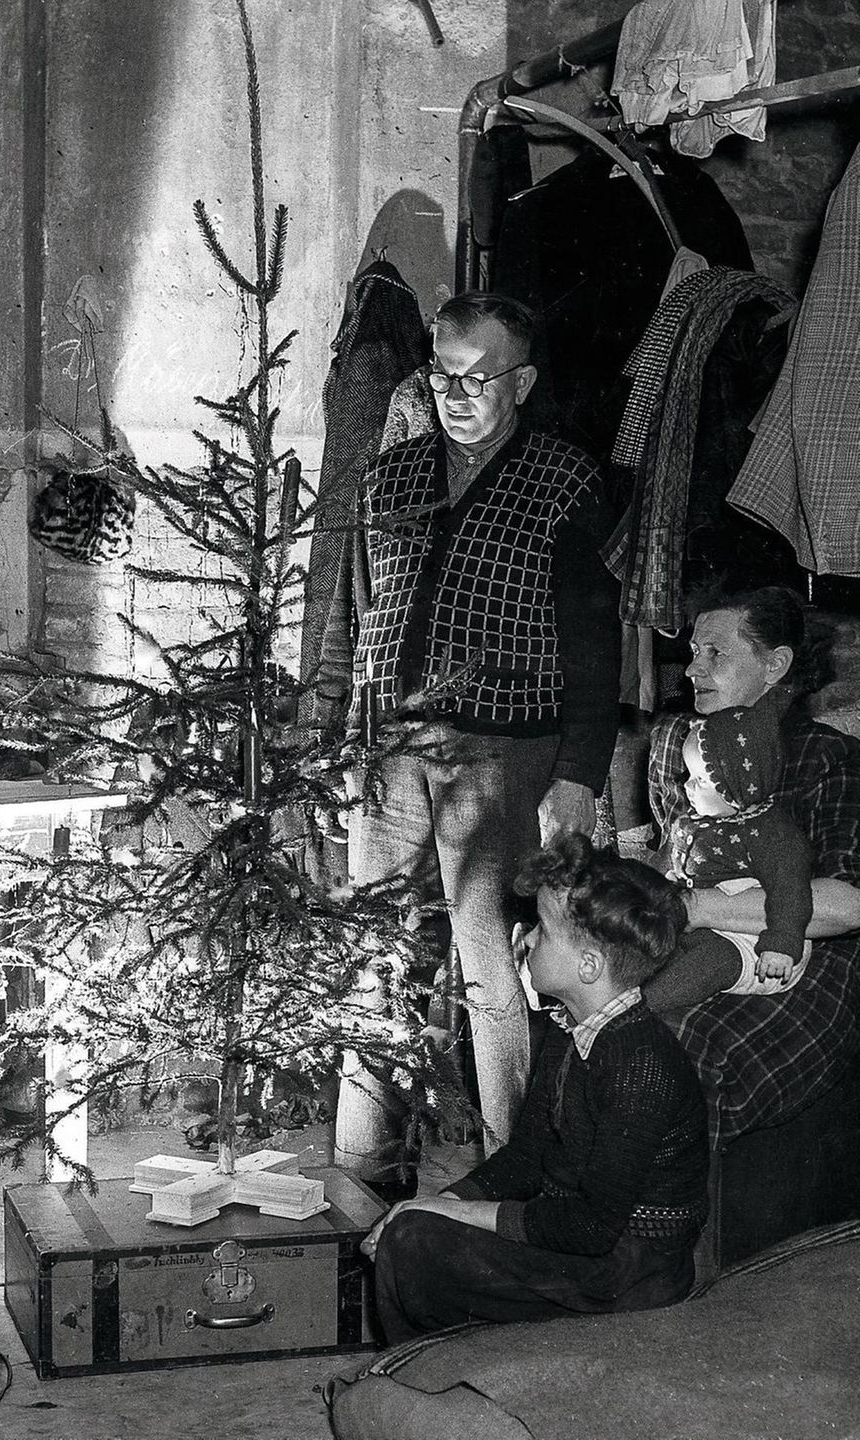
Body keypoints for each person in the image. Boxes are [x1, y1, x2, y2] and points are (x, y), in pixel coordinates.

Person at [340, 292, 622, 1166]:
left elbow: (593, 644)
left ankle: (512, 1166)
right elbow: (364, 617)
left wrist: (578, 772)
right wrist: (349, 739)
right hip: (389, 750)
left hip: (502, 754)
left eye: (479, 377)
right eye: (443, 375)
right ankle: (366, 1161)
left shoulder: (565, 481)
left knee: (490, 962)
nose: (457, 394)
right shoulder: (389, 477)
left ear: (522, 381)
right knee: (371, 952)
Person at [359, 833, 708, 1344]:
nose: (524, 938)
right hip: (589, 1250)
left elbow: (591, 1228)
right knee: (414, 1229)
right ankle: (442, 1365)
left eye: (542, 930)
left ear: (588, 965)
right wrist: (435, 1202)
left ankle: (433, 1370)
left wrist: (443, 1213)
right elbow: (525, 1160)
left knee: (416, 1242)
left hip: (629, 1273)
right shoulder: (572, 1030)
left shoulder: (640, 1065)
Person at [646, 586, 860, 1144]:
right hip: (699, 935)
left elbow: (847, 905)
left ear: (775, 664)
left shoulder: (828, 756)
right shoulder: (686, 743)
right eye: (694, 651)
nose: (693, 668)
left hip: (803, 958)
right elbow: (671, 856)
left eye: (716, 652)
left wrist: (694, 906)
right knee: (606, 1013)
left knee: (676, 1047)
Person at [642, 682, 812, 1010]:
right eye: (689, 775)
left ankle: (637, 1006)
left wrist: (781, 944)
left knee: (708, 963)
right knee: (650, 940)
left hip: (754, 943)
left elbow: (792, 893)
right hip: (703, 922)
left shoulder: (774, 835)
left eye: (700, 780)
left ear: (738, 784)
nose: (687, 786)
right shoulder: (702, 818)